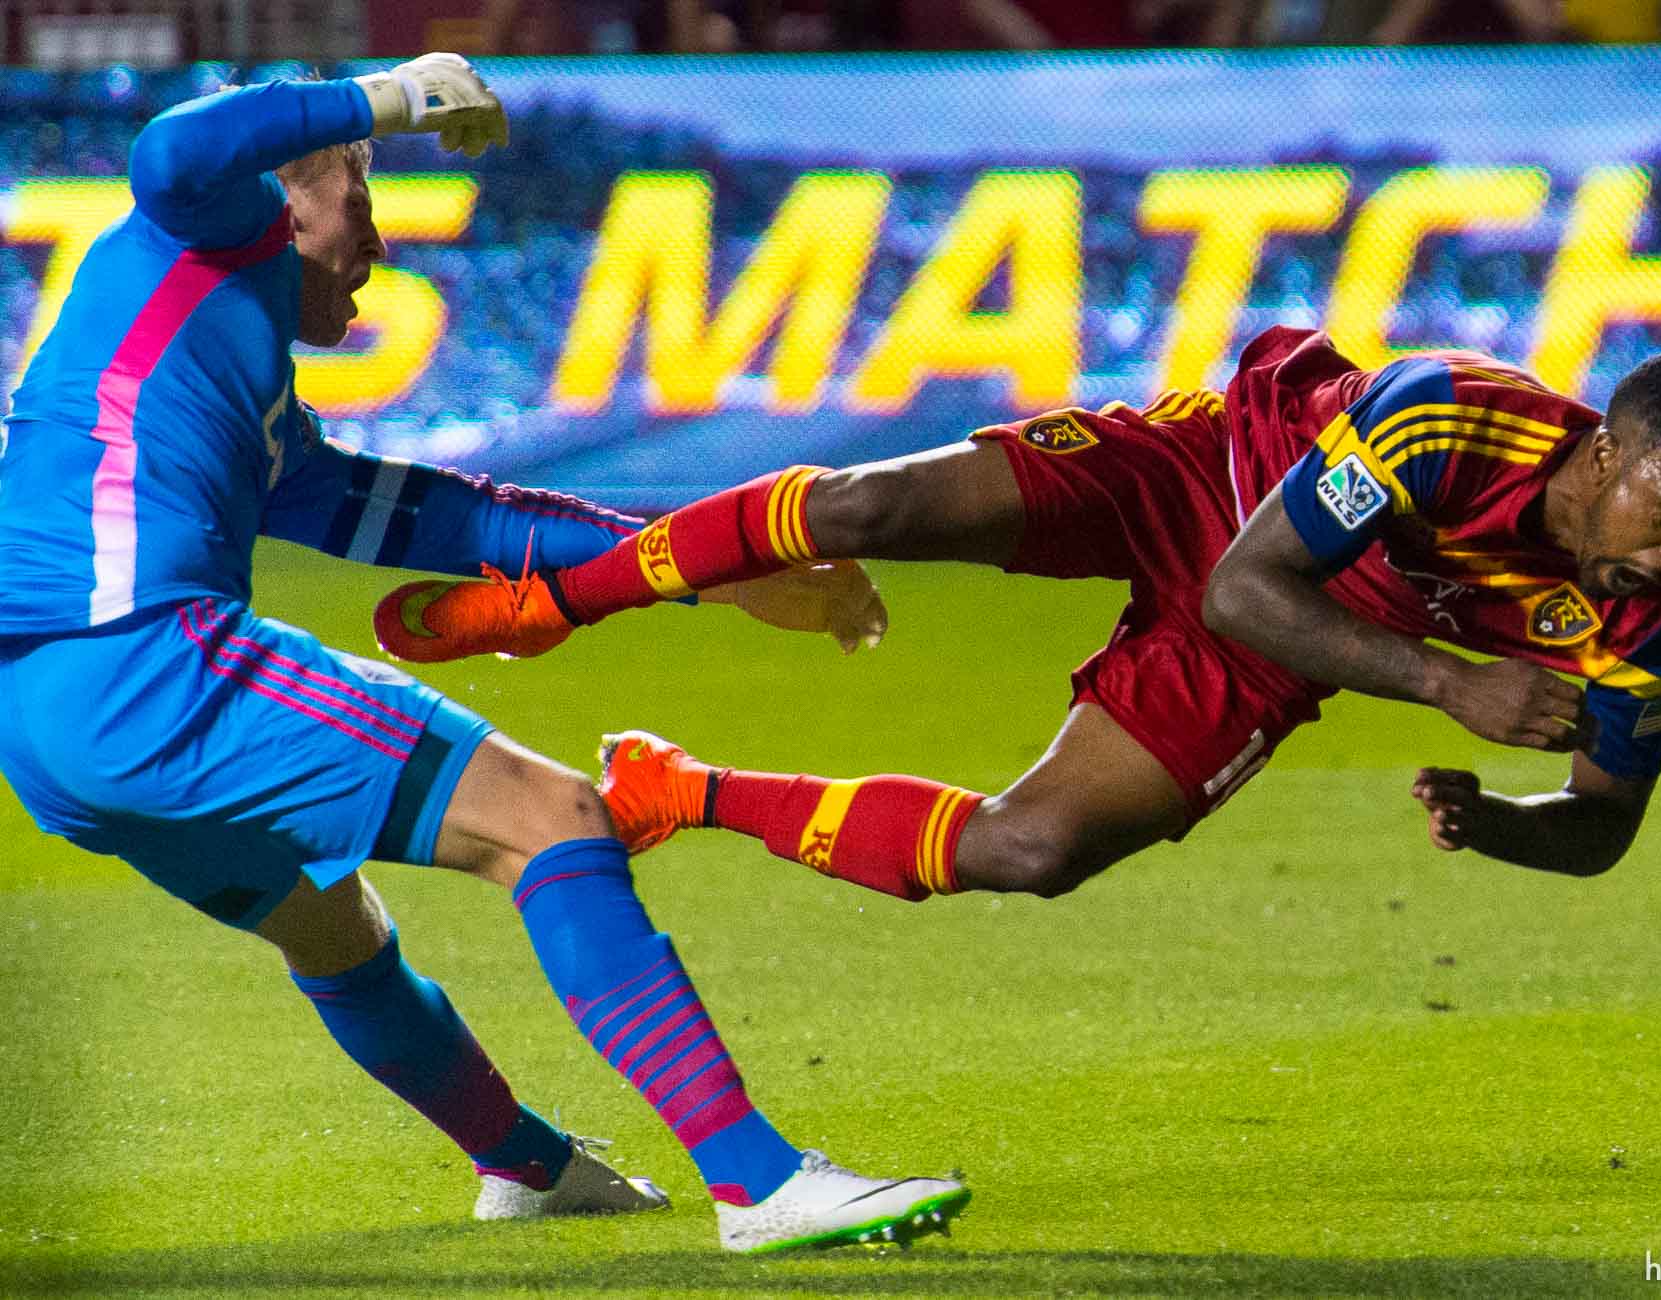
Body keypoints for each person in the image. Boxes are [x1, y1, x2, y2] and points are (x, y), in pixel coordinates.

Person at [0, 54, 965, 1255]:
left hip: (41, 725)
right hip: (147, 660)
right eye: (363, 196)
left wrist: (717, 570)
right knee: (553, 816)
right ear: (286, 196)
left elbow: (456, 518)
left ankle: (528, 1165)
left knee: (332, 928)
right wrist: (397, 95)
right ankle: (757, 1180)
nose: (378, 242)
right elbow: (169, 152)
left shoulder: (232, 370)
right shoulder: (207, 230)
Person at [380, 326, 1661, 907]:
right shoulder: (1448, 419)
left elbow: (1602, 827)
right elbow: (1241, 579)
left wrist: (1503, 824)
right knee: (866, 512)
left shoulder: (1654, 624)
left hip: (1276, 635)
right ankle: (549, 600)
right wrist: (1448, 685)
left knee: (1032, 851)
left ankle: (676, 791)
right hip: (1217, 485)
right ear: (1600, 455)